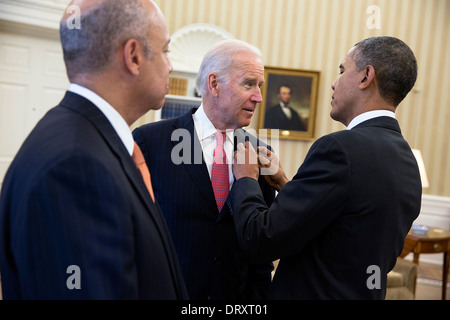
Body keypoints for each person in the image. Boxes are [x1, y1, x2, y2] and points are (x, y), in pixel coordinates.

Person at [0, 0, 188, 299]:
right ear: (134, 56)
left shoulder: (85, 141)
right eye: (165, 50)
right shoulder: (75, 168)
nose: (170, 65)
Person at [230, 36, 422, 299]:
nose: (334, 82)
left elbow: (261, 240)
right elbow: (342, 227)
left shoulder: (339, 149)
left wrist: (246, 179)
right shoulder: (407, 161)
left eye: (342, 71)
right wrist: (287, 185)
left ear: (366, 76)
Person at [132, 39, 275, 299]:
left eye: (260, 86)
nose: (259, 97)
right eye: (249, 84)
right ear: (214, 84)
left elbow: (260, 250)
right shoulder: (150, 141)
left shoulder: (261, 154)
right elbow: (130, 231)